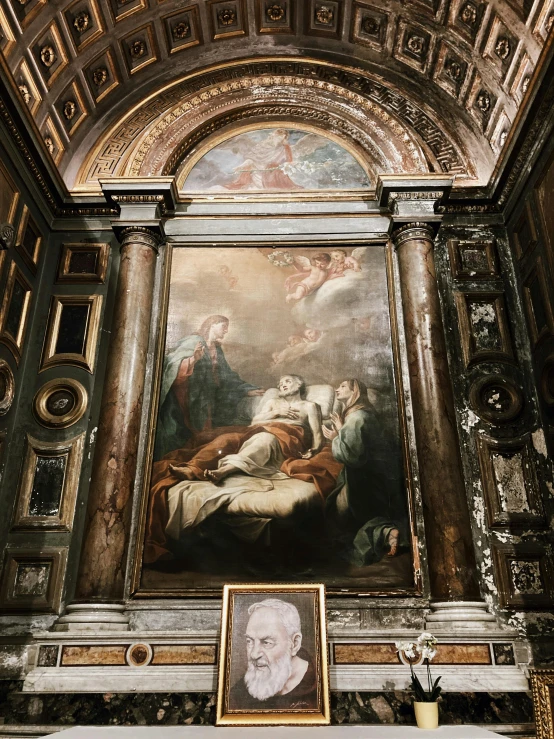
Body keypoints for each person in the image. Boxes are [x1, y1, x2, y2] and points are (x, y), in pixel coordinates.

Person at [169, 374, 323, 483]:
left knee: (265, 439)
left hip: (287, 439)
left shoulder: (309, 406)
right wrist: (276, 413)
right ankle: (192, 469)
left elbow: (317, 433)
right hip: (259, 430)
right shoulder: (273, 403)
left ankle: (223, 471)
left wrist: (314, 449)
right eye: (280, 383)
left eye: (287, 381)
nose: (282, 385)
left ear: (299, 384)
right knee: (226, 439)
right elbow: (255, 420)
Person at [154, 315, 263, 460]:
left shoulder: (217, 350)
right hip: (187, 399)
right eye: (224, 326)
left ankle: (201, 461)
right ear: (212, 325)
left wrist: (245, 389)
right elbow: (173, 366)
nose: (226, 331)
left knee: (206, 435)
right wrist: (193, 359)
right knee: (184, 435)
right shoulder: (194, 341)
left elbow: (226, 376)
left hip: (207, 399)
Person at [323, 378, 407, 565]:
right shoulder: (360, 415)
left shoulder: (357, 417)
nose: (337, 389)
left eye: (343, 386)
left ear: (355, 392)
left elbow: (351, 456)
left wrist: (336, 436)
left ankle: (382, 533)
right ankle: (386, 533)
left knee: (340, 513)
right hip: (374, 475)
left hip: (365, 478)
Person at [228, 599, 318, 710]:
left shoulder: (318, 686)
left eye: (267, 643)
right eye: (249, 641)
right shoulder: (238, 695)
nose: (254, 654)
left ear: (294, 644)